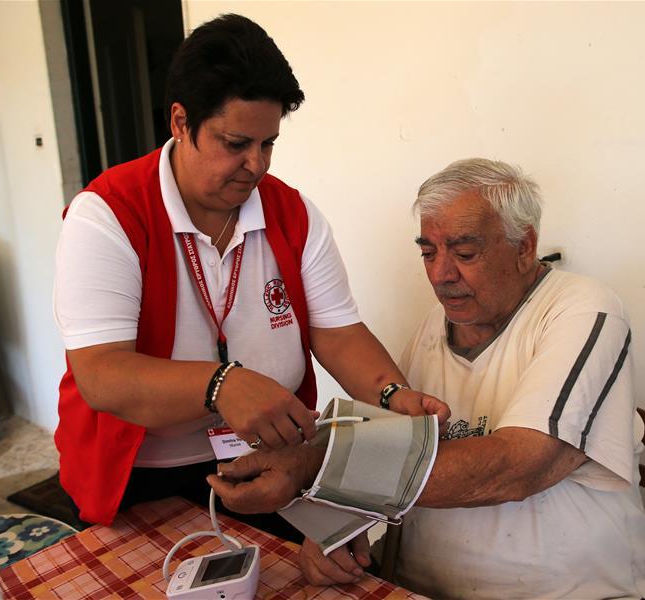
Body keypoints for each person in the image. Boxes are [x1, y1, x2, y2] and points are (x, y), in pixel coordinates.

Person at [52, 13, 448, 535]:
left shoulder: (293, 215)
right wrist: (221, 384)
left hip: (270, 464)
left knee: (316, 568)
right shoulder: (109, 214)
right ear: (180, 122)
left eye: (268, 144)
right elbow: (101, 374)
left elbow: (338, 332)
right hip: (140, 478)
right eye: (236, 143)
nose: (256, 165)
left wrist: (393, 396)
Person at [209, 158, 645, 598]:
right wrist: (336, 525)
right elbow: (395, 449)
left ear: (525, 247)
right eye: (428, 253)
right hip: (415, 586)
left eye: (465, 253)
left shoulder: (583, 311)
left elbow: (519, 468)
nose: (441, 275)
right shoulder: (434, 326)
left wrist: (316, 469)